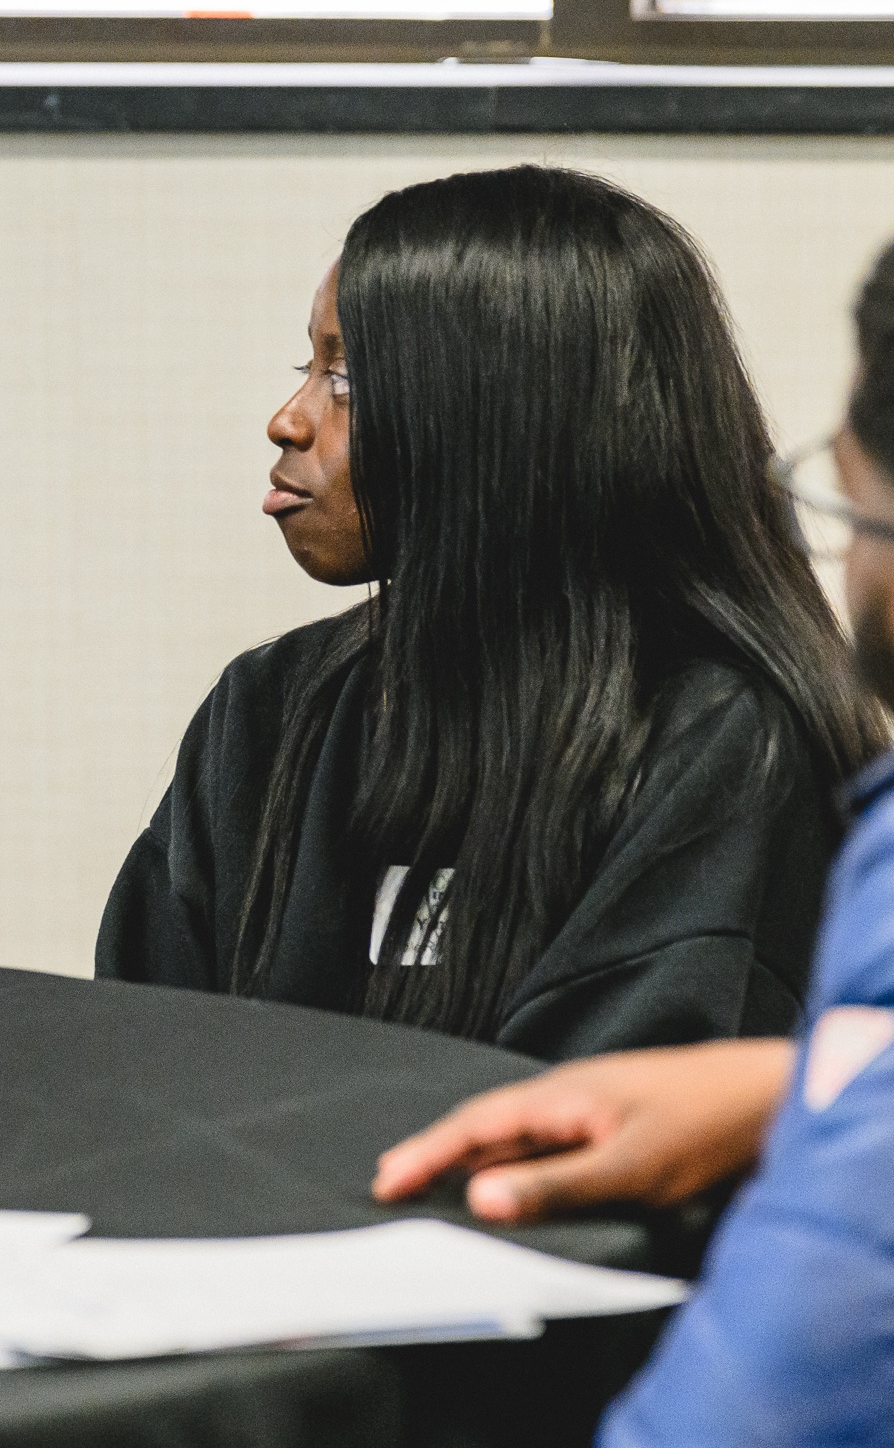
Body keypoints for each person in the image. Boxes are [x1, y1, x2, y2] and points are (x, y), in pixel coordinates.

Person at [97, 166, 871, 1059]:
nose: (288, 421)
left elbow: (603, 1124)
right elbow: (134, 1062)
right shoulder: (267, 708)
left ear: (506, 415)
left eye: (343, 379)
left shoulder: (719, 741)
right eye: (305, 369)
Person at [374, 236, 894, 1445]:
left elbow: (772, 1390)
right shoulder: (269, 708)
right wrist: (793, 1090)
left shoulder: (731, 742)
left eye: (855, 506)